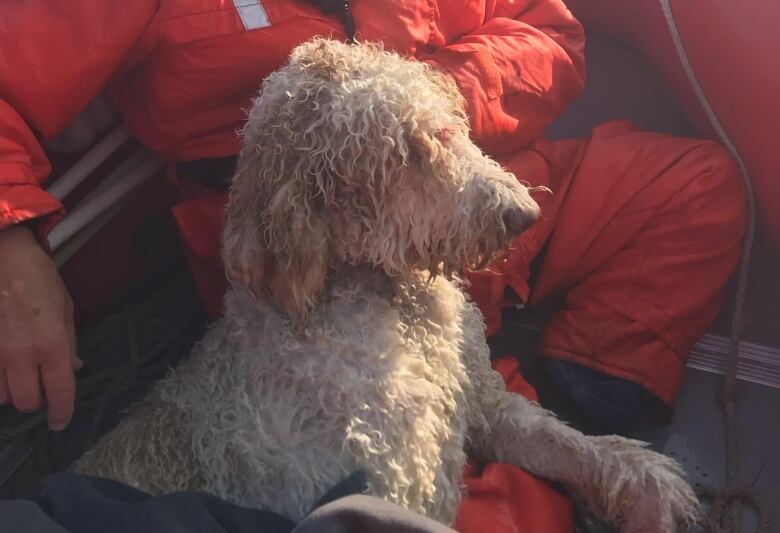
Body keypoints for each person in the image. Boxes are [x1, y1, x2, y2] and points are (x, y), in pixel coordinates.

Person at [0, 0, 745, 437]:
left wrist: (420, 102)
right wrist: (11, 247)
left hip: (492, 181)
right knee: (457, 497)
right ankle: (524, 469)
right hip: (324, 262)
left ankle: (579, 416)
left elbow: (550, 33)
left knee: (698, 189)